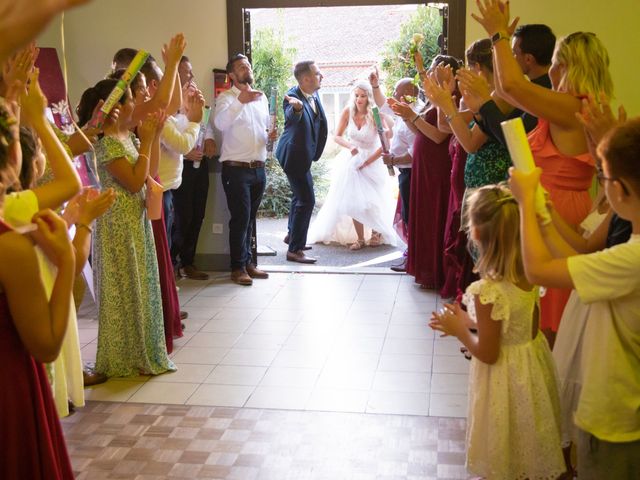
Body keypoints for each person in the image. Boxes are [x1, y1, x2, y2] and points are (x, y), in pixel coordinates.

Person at [472, 0, 614, 346]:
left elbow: (513, 88)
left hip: (557, 212)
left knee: (550, 322)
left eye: (555, 63)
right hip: (556, 206)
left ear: (563, 65)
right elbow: (508, 89)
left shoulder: (573, 106)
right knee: (542, 318)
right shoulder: (582, 105)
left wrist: (498, 35)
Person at [509, 116, 640, 479]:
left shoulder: (631, 260)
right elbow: (578, 256)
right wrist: (546, 213)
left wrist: (524, 205)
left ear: (621, 190)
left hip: (615, 424)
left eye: (606, 177)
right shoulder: (629, 252)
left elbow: (538, 270)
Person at [429, 184, 565, 480]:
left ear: (474, 233)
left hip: (504, 378)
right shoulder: (528, 274)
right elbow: (517, 327)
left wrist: (459, 331)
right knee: (528, 436)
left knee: (505, 443)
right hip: (531, 372)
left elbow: (489, 353)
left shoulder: (486, 290)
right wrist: (468, 321)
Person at [77, 79, 175, 377]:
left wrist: (153, 136)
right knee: (123, 288)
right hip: (118, 223)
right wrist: (145, 141)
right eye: (132, 99)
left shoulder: (126, 136)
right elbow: (133, 183)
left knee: (141, 284)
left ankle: (142, 353)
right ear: (117, 106)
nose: (137, 104)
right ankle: (122, 357)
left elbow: (149, 171)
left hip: (135, 221)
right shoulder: (106, 142)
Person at [0, 101, 76, 479]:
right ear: (12, 157)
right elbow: (45, 345)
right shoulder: (8, 246)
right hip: (8, 388)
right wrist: (67, 264)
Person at [308, 82, 395, 249]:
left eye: (362, 96)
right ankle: (360, 238)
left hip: (372, 160)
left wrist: (368, 161)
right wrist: (350, 146)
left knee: (372, 200)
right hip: (352, 159)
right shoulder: (348, 111)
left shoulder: (375, 113)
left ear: (369, 97)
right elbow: (337, 136)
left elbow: (385, 141)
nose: (359, 99)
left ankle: (376, 232)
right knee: (353, 200)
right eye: (356, 95)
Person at [213, 53, 274, 285]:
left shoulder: (262, 97)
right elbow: (219, 124)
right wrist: (241, 101)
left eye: (247, 64)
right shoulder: (227, 98)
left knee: (250, 219)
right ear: (231, 75)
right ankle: (237, 267)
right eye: (240, 66)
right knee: (240, 218)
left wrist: (269, 136)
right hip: (236, 169)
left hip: (258, 167)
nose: (245, 68)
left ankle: (248, 262)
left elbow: (263, 128)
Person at [275, 60, 328, 264]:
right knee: (307, 200)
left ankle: (292, 235)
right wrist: (296, 109)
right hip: (293, 157)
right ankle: (294, 250)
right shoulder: (292, 97)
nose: (321, 75)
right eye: (317, 73)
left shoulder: (314, 94)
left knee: (299, 197)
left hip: (304, 155)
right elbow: (292, 117)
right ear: (305, 79)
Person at [375, 75, 421, 271]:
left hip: (411, 175)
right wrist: (375, 85)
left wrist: (393, 160)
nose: (392, 96)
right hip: (405, 174)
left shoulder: (414, 114)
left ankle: (414, 257)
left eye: (396, 92)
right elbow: (384, 106)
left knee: (411, 217)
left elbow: (414, 154)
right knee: (408, 215)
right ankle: (411, 255)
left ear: (408, 95)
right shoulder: (405, 112)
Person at [172, 56, 212, 280]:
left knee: (198, 215)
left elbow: (205, 126)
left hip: (201, 165)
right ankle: (172, 262)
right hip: (180, 168)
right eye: (185, 73)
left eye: (191, 73)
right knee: (182, 218)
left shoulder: (197, 100)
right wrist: (185, 152)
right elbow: (167, 139)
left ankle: (189, 262)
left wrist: (210, 141)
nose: (190, 77)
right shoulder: (170, 105)